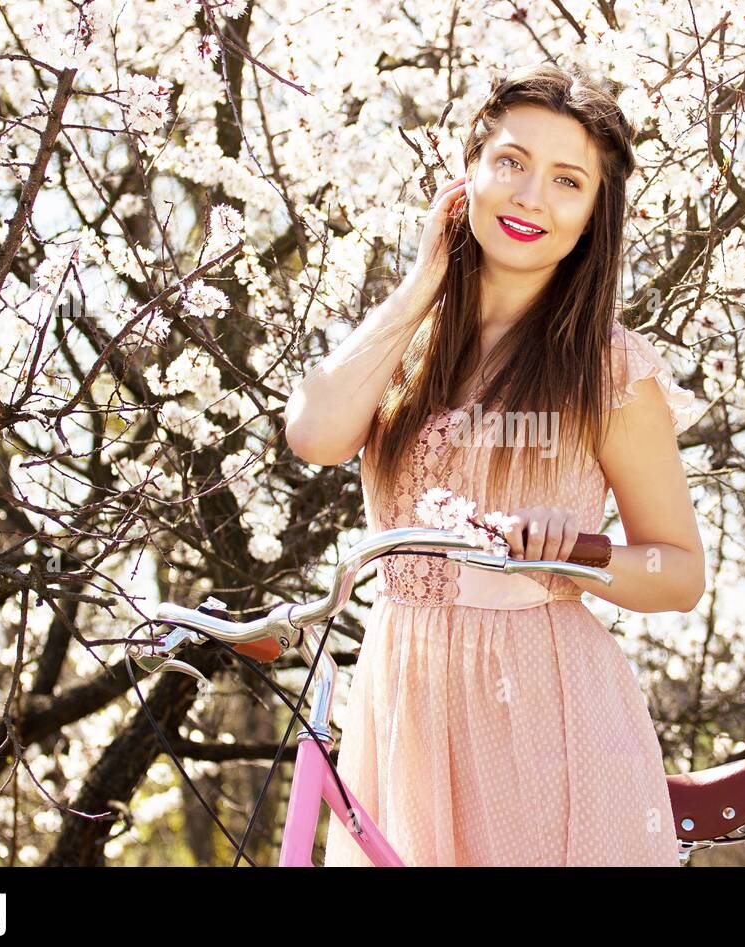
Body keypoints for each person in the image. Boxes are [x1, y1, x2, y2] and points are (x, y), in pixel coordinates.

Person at [284, 62, 705, 866]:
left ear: (592, 215)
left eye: (566, 181)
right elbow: (314, 436)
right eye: (511, 162)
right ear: (468, 173)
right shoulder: (405, 343)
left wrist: (579, 555)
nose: (530, 197)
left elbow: (679, 572)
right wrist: (423, 281)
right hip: (400, 700)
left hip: (543, 712)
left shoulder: (608, 372)